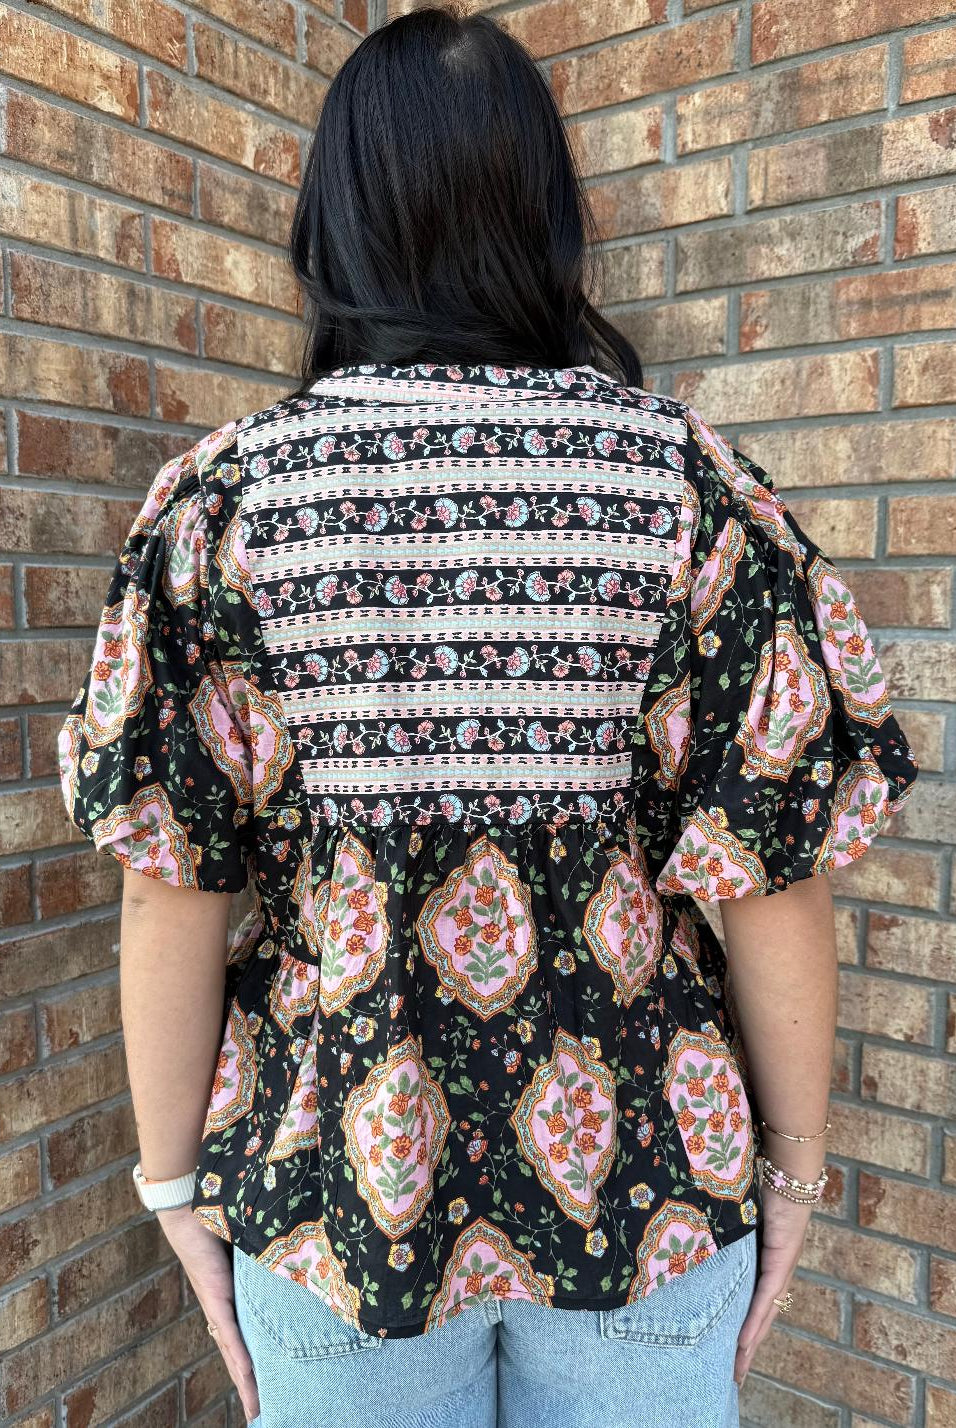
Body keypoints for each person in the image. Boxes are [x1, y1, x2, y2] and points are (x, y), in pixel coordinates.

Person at [56, 7, 918, 1427]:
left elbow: (172, 887)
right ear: (549, 215)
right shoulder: (683, 484)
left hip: (339, 1200)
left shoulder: (229, 504)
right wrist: (795, 1170)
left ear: (334, 222)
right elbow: (770, 871)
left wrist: (170, 1188)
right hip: (649, 1191)